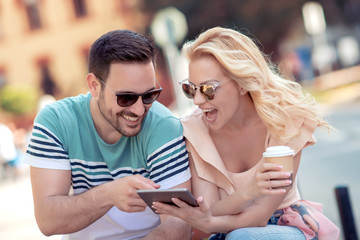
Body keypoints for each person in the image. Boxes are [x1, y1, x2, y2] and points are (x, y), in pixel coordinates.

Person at [152, 27, 340, 240]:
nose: (197, 101)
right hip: (227, 233)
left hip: (285, 228)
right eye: (191, 89)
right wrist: (247, 192)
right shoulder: (194, 131)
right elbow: (210, 208)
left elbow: (259, 216)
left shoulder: (283, 121)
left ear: (242, 84)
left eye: (208, 90)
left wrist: (211, 220)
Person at [25, 29, 192, 240]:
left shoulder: (163, 125)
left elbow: (180, 223)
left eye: (149, 95)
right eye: (126, 98)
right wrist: (109, 194)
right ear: (94, 86)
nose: (140, 110)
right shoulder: (57, 122)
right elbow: (47, 220)